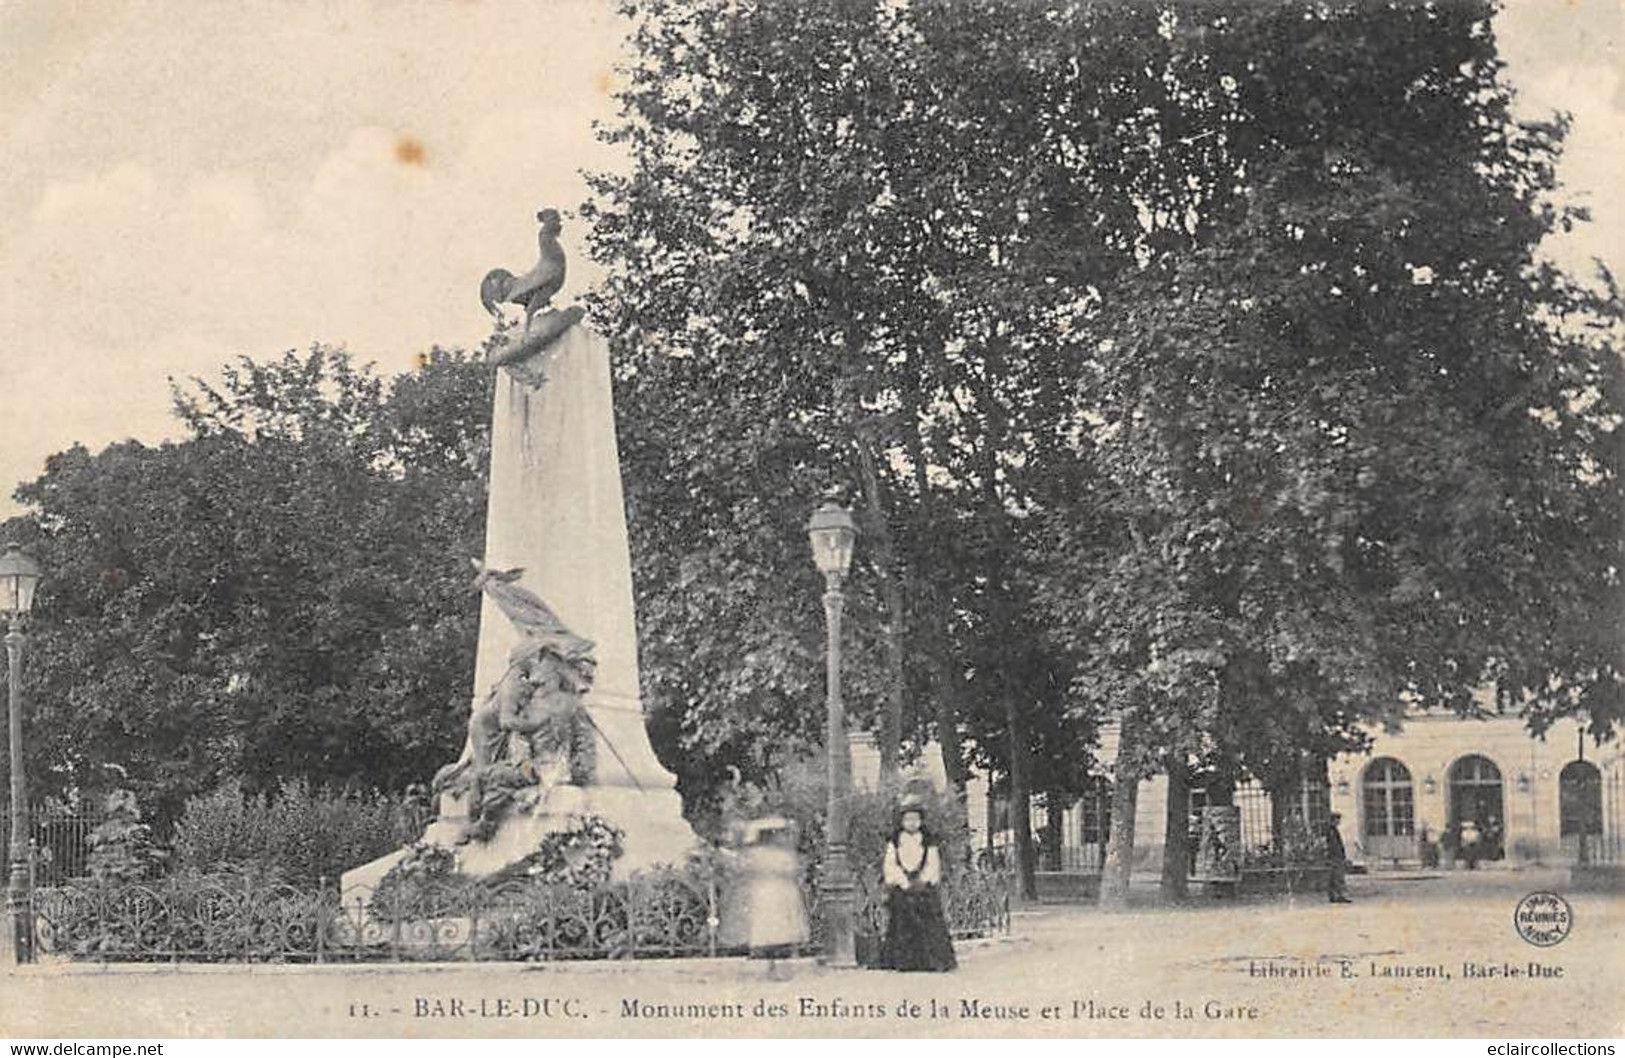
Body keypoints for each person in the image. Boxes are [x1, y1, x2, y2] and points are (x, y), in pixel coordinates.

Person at [877, 798, 957, 972]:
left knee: (929, 921)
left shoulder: (928, 841)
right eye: (908, 819)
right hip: (903, 886)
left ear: (920, 821)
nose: (912, 823)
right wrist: (903, 882)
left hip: (923, 886)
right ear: (902, 821)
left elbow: (933, 864)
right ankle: (904, 962)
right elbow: (890, 865)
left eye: (915, 819)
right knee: (902, 919)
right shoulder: (895, 842)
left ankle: (931, 961)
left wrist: (924, 880)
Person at [738, 816, 808, 979]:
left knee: (777, 925)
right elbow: (790, 869)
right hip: (770, 890)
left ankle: (775, 963)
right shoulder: (767, 853)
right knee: (772, 924)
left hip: (776, 890)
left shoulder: (770, 853)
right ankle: (771, 963)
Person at [1324, 812, 1352, 903]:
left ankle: (1334, 895)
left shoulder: (1333, 830)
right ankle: (1338, 895)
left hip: (1335, 856)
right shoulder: (1331, 831)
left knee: (1334, 877)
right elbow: (1333, 845)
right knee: (1338, 877)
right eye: (1337, 819)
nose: (1339, 821)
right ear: (1333, 820)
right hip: (1335, 857)